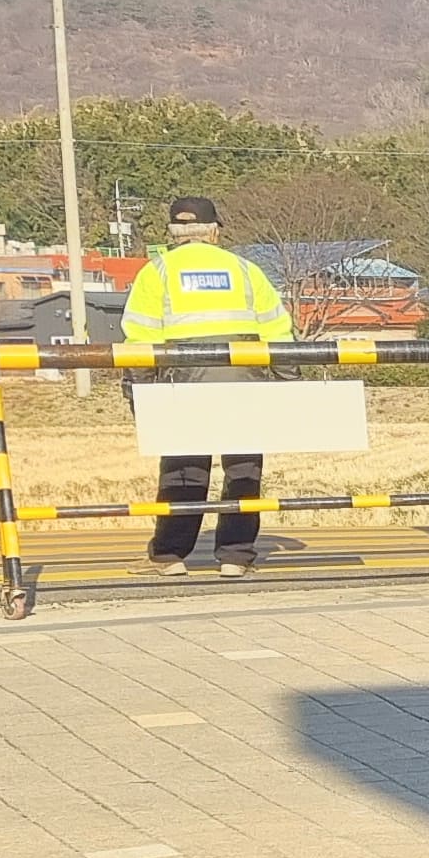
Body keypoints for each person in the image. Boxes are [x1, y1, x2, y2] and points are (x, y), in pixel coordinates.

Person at [125, 194, 295, 577]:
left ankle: (171, 555)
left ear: (172, 232)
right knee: (244, 471)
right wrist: (289, 383)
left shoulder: (158, 272)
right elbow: (278, 333)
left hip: (182, 385)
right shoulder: (246, 269)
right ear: (215, 231)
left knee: (183, 471)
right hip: (244, 384)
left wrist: (139, 391)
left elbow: (138, 339)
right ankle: (235, 556)